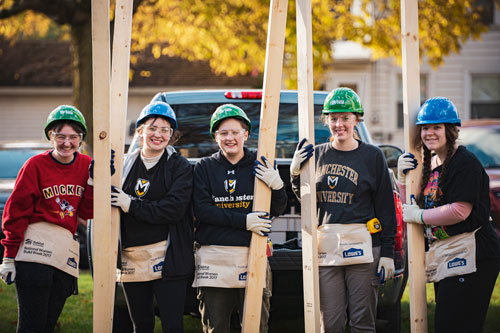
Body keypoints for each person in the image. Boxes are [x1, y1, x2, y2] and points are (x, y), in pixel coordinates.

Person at [291, 87, 397, 332]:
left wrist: (388, 253)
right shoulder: (315, 154)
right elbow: (306, 201)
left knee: (362, 322)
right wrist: (295, 174)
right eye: (334, 118)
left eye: (346, 118)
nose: (339, 124)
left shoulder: (372, 156)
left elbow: (385, 206)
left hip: (364, 247)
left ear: (356, 119)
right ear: (326, 119)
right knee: (330, 322)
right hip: (326, 248)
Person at [397, 97, 500, 332]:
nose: (429, 133)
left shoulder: (465, 163)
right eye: (425, 128)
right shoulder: (432, 164)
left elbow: (459, 211)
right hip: (449, 252)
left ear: (451, 130)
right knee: (447, 323)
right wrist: (403, 180)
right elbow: (410, 207)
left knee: (457, 325)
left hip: (475, 255)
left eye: (437, 127)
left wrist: (419, 216)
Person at [0, 105, 99, 332]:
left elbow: (85, 213)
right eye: (60, 136)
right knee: (31, 326)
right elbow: (16, 212)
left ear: (81, 138)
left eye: (73, 137)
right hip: (34, 253)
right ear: (50, 136)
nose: (67, 143)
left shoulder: (86, 165)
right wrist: (9, 257)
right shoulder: (35, 166)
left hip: (64, 253)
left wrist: (94, 182)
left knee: (48, 325)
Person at [192, 104, 287, 332]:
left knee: (255, 326)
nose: (230, 138)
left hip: (252, 256)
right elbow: (202, 210)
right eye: (223, 133)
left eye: (235, 132)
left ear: (246, 134)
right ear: (215, 137)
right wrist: (244, 221)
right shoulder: (204, 168)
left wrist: (278, 186)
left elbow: (276, 209)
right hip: (214, 261)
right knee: (216, 328)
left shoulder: (261, 164)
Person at [110, 101, 194, 333]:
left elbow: (173, 209)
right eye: (152, 128)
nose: (158, 134)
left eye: (165, 130)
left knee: (172, 325)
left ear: (171, 135)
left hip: (166, 258)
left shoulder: (180, 167)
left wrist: (130, 205)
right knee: (142, 325)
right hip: (131, 258)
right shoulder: (123, 165)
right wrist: (96, 177)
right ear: (140, 130)